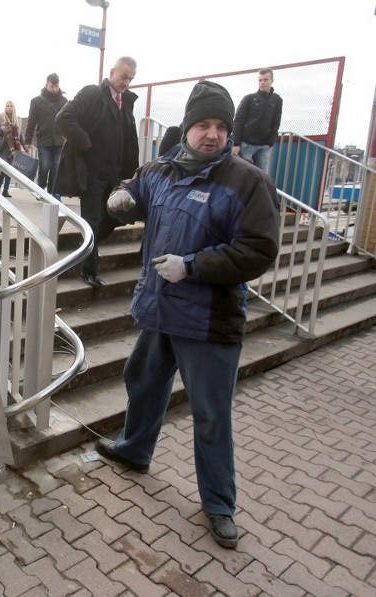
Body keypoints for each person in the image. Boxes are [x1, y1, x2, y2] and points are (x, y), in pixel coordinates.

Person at [99, 81, 281, 549]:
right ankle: (134, 450)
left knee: (210, 415)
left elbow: (259, 250)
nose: (213, 134)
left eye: (222, 126)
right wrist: (119, 199)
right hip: (160, 306)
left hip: (208, 318)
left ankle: (219, 505)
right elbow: (133, 190)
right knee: (142, 381)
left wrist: (194, 267)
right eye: (204, 124)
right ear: (187, 128)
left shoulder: (247, 180)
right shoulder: (162, 169)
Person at [54, 56, 140, 288]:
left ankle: (86, 250)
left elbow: (127, 138)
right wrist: (87, 145)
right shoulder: (92, 93)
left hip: (115, 174)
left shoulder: (126, 102)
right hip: (92, 174)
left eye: (131, 79)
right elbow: (64, 118)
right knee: (91, 220)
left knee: (114, 217)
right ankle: (89, 269)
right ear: (112, 72)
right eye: (124, 77)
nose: (127, 83)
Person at [24, 73, 67, 198]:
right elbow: (31, 122)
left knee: (57, 167)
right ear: (46, 84)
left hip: (60, 140)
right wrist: (27, 141)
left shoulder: (65, 101)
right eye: (52, 86)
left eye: (56, 86)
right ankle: (41, 188)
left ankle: (53, 192)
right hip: (44, 139)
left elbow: (68, 121)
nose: (54, 89)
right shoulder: (37, 101)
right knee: (45, 166)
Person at [232, 68, 283, 173]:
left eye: (265, 79)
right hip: (246, 143)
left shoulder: (277, 100)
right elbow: (238, 121)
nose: (262, 83)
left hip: (264, 145)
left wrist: (271, 141)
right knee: (243, 174)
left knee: (262, 177)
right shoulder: (249, 99)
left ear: (272, 80)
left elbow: (276, 122)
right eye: (260, 80)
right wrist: (236, 143)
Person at [0, 100, 25, 198]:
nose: (9, 108)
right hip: (3, 147)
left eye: (11, 106)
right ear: (5, 107)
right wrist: (1, 129)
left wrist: (25, 146)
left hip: (13, 148)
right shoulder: (0, 118)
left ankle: (5, 190)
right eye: (7, 106)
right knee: (5, 168)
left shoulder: (17, 120)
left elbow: (20, 135)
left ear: (13, 108)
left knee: (10, 170)